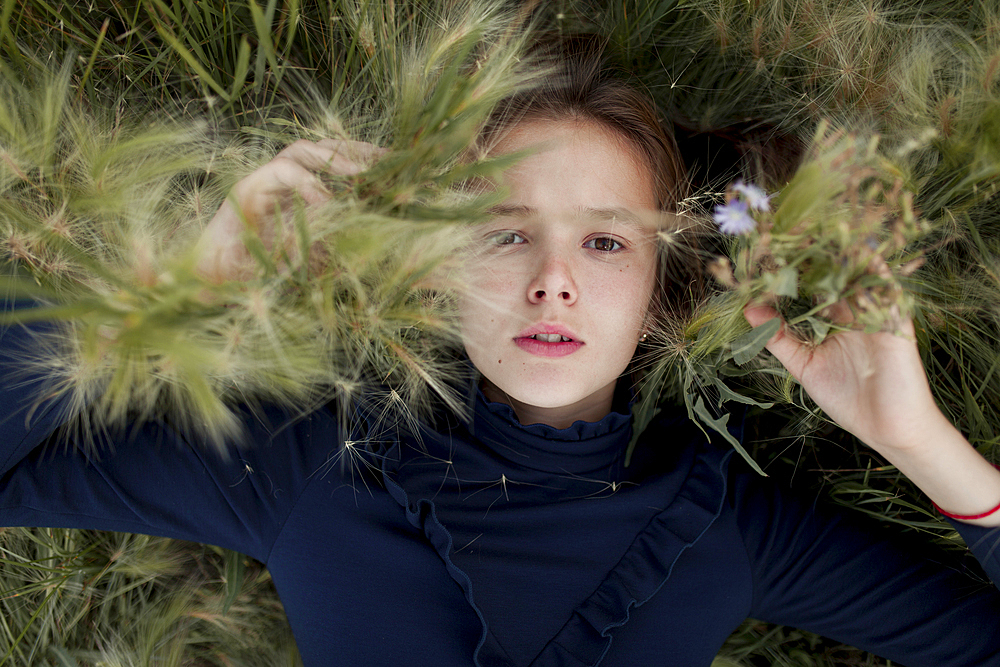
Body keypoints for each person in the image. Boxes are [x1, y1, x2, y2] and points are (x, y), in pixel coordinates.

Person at [3, 47, 1000, 667]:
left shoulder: (731, 526)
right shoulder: (309, 461)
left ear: (666, 285)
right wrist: (178, 289)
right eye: (501, 231)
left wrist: (918, 443)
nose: (553, 280)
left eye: (605, 241)